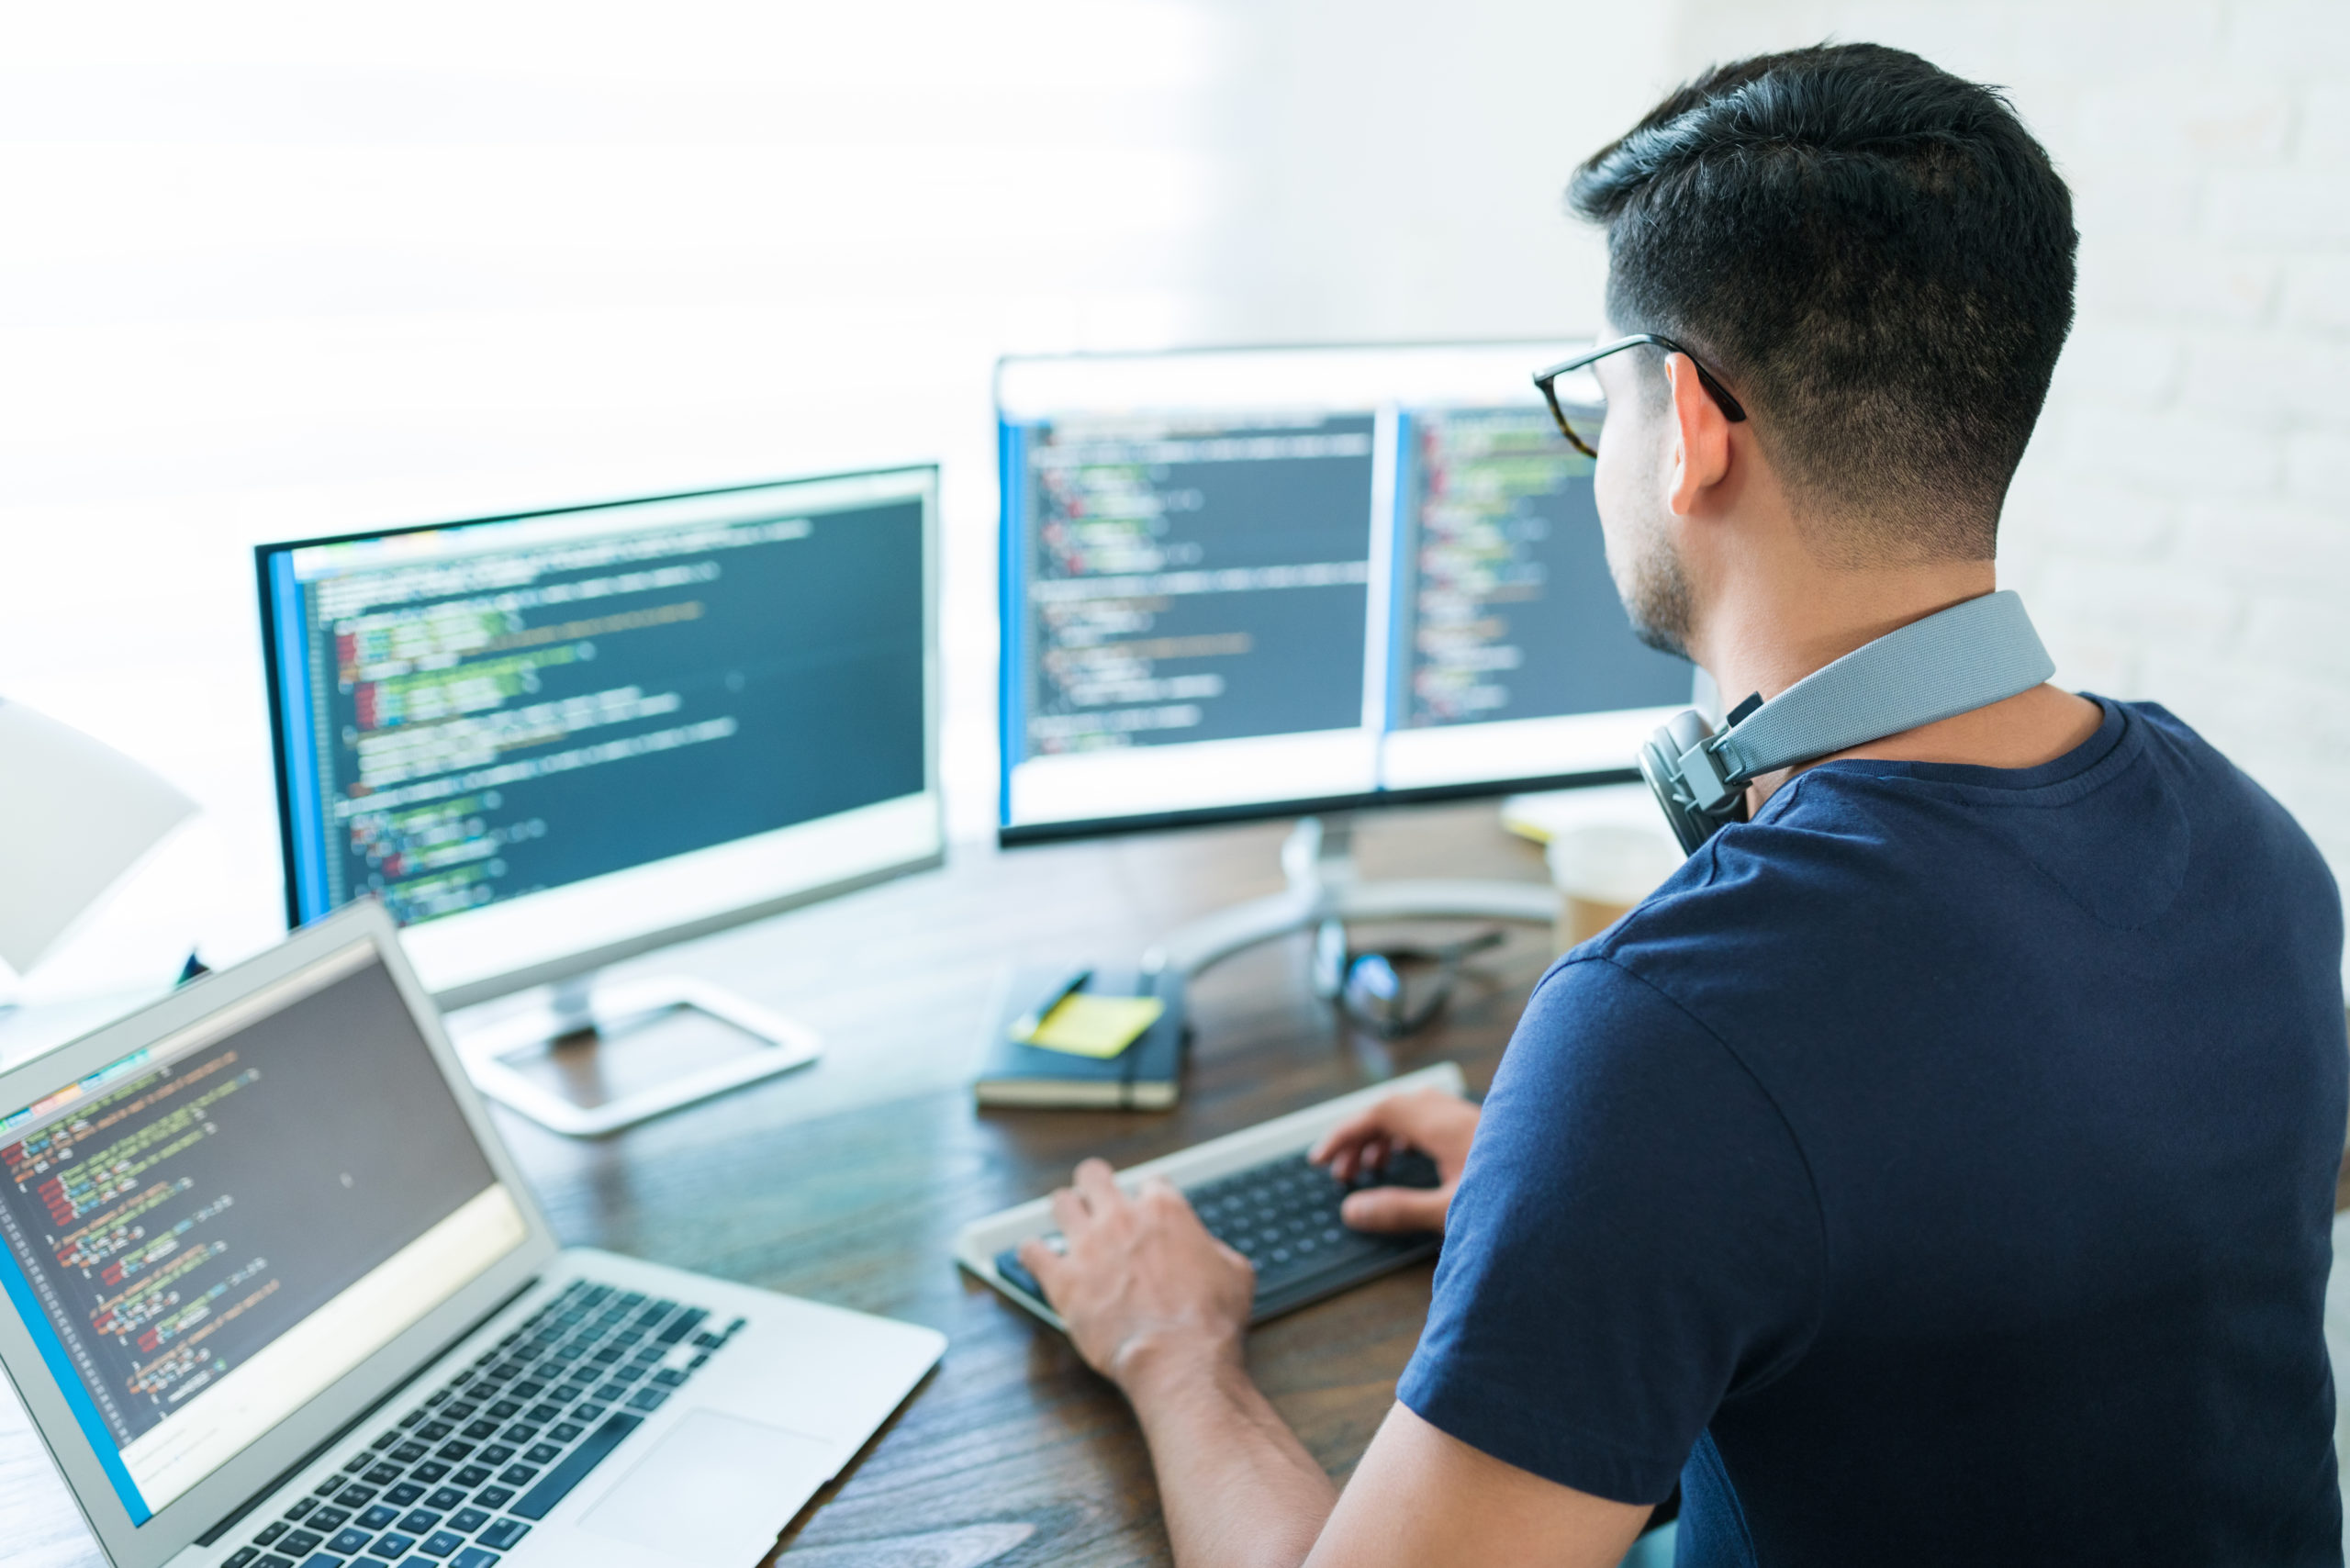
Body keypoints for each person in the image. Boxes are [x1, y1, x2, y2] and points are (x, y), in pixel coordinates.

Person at [1013, 41, 2350, 1568]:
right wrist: (1589, 1201)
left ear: (1695, 431)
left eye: (1608, 401)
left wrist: (1174, 1347)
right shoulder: (2255, 843)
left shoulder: (1673, 1036)